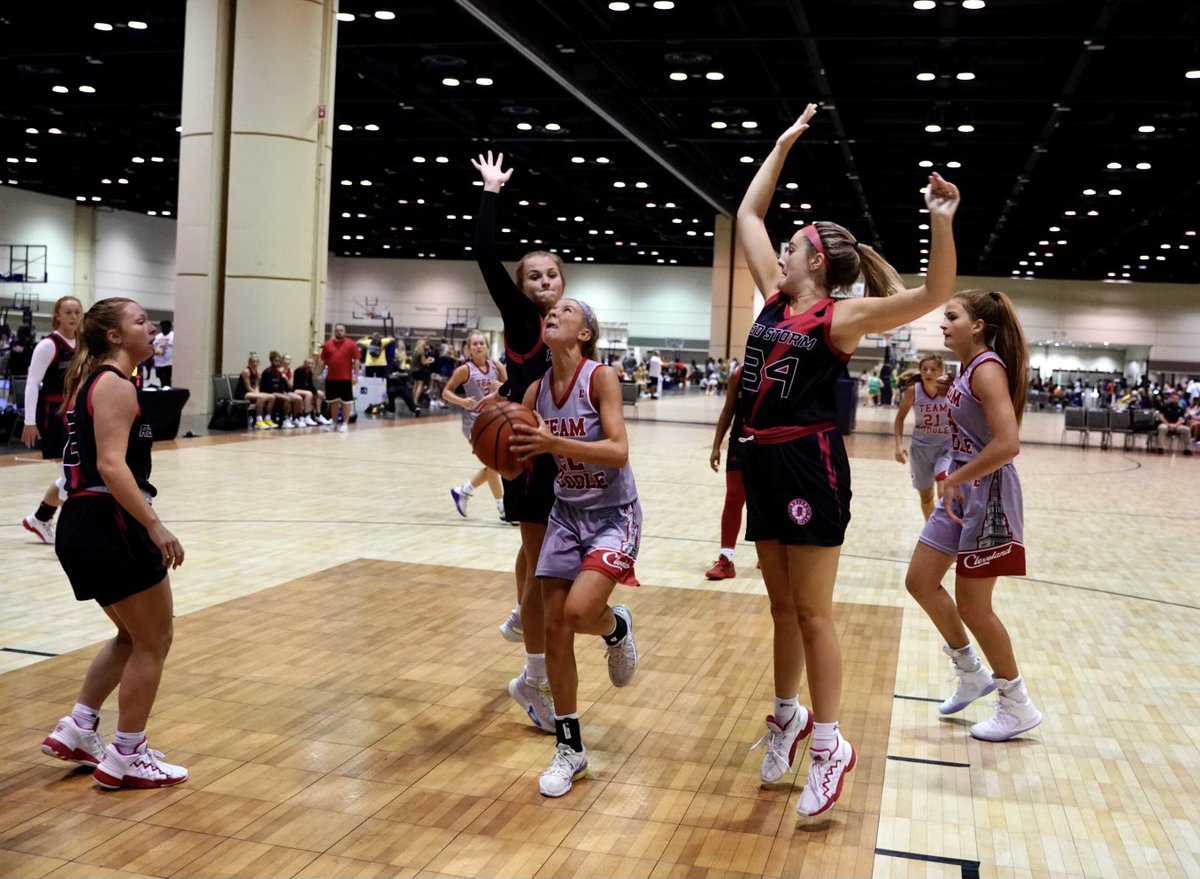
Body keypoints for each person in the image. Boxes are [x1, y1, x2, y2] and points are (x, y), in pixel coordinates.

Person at [735, 104, 960, 817]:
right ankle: (787, 714)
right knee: (779, 607)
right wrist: (783, 142)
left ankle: (830, 743)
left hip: (811, 466)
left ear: (816, 261)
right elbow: (747, 210)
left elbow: (935, 294)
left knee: (812, 611)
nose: (785, 247)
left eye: (795, 242)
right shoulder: (773, 299)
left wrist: (941, 220)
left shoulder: (840, 315)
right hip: (761, 463)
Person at [40, 297, 187, 789]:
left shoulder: (91, 380)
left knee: (130, 636)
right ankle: (128, 754)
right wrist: (154, 524)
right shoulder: (115, 386)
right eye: (140, 321)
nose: (152, 328)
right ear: (114, 336)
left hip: (84, 523)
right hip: (110, 522)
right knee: (154, 639)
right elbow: (110, 466)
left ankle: (81, 728)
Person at [510, 299, 640, 797]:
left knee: (582, 612)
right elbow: (515, 455)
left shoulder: (599, 378)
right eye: (551, 310)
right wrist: (495, 438)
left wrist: (553, 445)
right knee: (554, 625)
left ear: (584, 333)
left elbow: (618, 450)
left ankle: (616, 625)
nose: (552, 312)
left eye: (566, 310)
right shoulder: (535, 390)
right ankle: (570, 748)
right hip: (565, 515)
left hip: (613, 513)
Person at [904, 289, 1043, 744]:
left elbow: (1008, 443)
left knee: (975, 607)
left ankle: (1016, 703)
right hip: (961, 492)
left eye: (951, 316)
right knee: (920, 581)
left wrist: (957, 476)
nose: (942, 324)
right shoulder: (966, 371)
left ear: (978, 325)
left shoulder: (986, 370)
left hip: (989, 494)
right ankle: (970, 672)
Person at [472, 150, 561, 729]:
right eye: (533, 276)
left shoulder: (570, 324)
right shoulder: (525, 318)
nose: (543, 283)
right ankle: (533, 678)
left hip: (558, 452)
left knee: (535, 556)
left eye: (551, 274)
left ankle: (520, 623)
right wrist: (491, 194)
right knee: (542, 561)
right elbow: (483, 253)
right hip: (527, 451)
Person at [20, 296, 83, 545]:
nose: (73, 316)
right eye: (68, 311)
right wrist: (29, 421)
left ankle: (40, 518)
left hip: (76, 414)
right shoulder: (49, 345)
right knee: (71, 477)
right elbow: (32, 383)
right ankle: (71, 528)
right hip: (54, 416)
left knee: (73, 474)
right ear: (57, 315)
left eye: (77, 311)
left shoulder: (83, 344)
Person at [444, 330, 508, 521]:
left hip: (494, 419)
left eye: (482, 343)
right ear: (468, 348)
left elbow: (511, 387)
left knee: (493, 464)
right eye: (475, 344)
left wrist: (502, 388)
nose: (479, 346)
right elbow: (446, 392)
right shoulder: (465, 370)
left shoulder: (497, 366)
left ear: (487, 347)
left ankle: (463, 491)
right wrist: (461, 401)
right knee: (492, 464)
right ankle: (502, 508)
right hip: (474, 422)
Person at [893, 354, 952, 520]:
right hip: (920, 450)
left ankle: (947, 532)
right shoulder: (913, 391)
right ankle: (931, 530)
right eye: (924, 369)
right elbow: (899, 419)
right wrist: (898, 445)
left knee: (943, 491)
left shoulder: (950, 390)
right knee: (926, 498)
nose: (928, 372)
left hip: (945, 448)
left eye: (933, 369)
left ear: (941, 371)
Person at [706, 366, 749, 579]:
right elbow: (728, 410)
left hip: (771, 444)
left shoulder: (783, 370)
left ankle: (772, 551)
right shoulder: (738, 374)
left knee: (770, 500)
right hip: (740, 443)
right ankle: (726, 558)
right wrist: (716, 446)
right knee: (733, 497)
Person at [320, 323, 359, 432]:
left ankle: (345, 424)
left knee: (346, 402)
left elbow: (356, 360)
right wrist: (319, 373)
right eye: (337, 330)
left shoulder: (351, 344)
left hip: (346, 379)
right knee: (333, 402)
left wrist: (356, 375)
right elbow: (323, 360)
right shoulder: (327, 345)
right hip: (331, 379)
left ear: (344, 331)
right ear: (334, 332)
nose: (339, 332)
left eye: (341, 330)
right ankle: (334, 423)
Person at [236, 354, 277, 429]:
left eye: (257, 362)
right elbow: (248, 387)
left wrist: (257, 393)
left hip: (252, 393)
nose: (255, 363)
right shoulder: (246, 371)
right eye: (253, 362)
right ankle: (258, 421)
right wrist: (258, 394)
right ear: (249, 362)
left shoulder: (257, 372)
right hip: (243, 394)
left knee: (272, 397)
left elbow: (257, 386)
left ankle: (267, 419)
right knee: (260, 397)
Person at [151, 319, 174, 387]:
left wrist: (167, 343)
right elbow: (153, 346)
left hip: (169, 363)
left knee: (167, 379)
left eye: (165, 327)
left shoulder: (173, 336)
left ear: (169, 327)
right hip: (159, 363)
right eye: (162, 327)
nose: (163, 328)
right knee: (161, 379)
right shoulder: (158, 337)